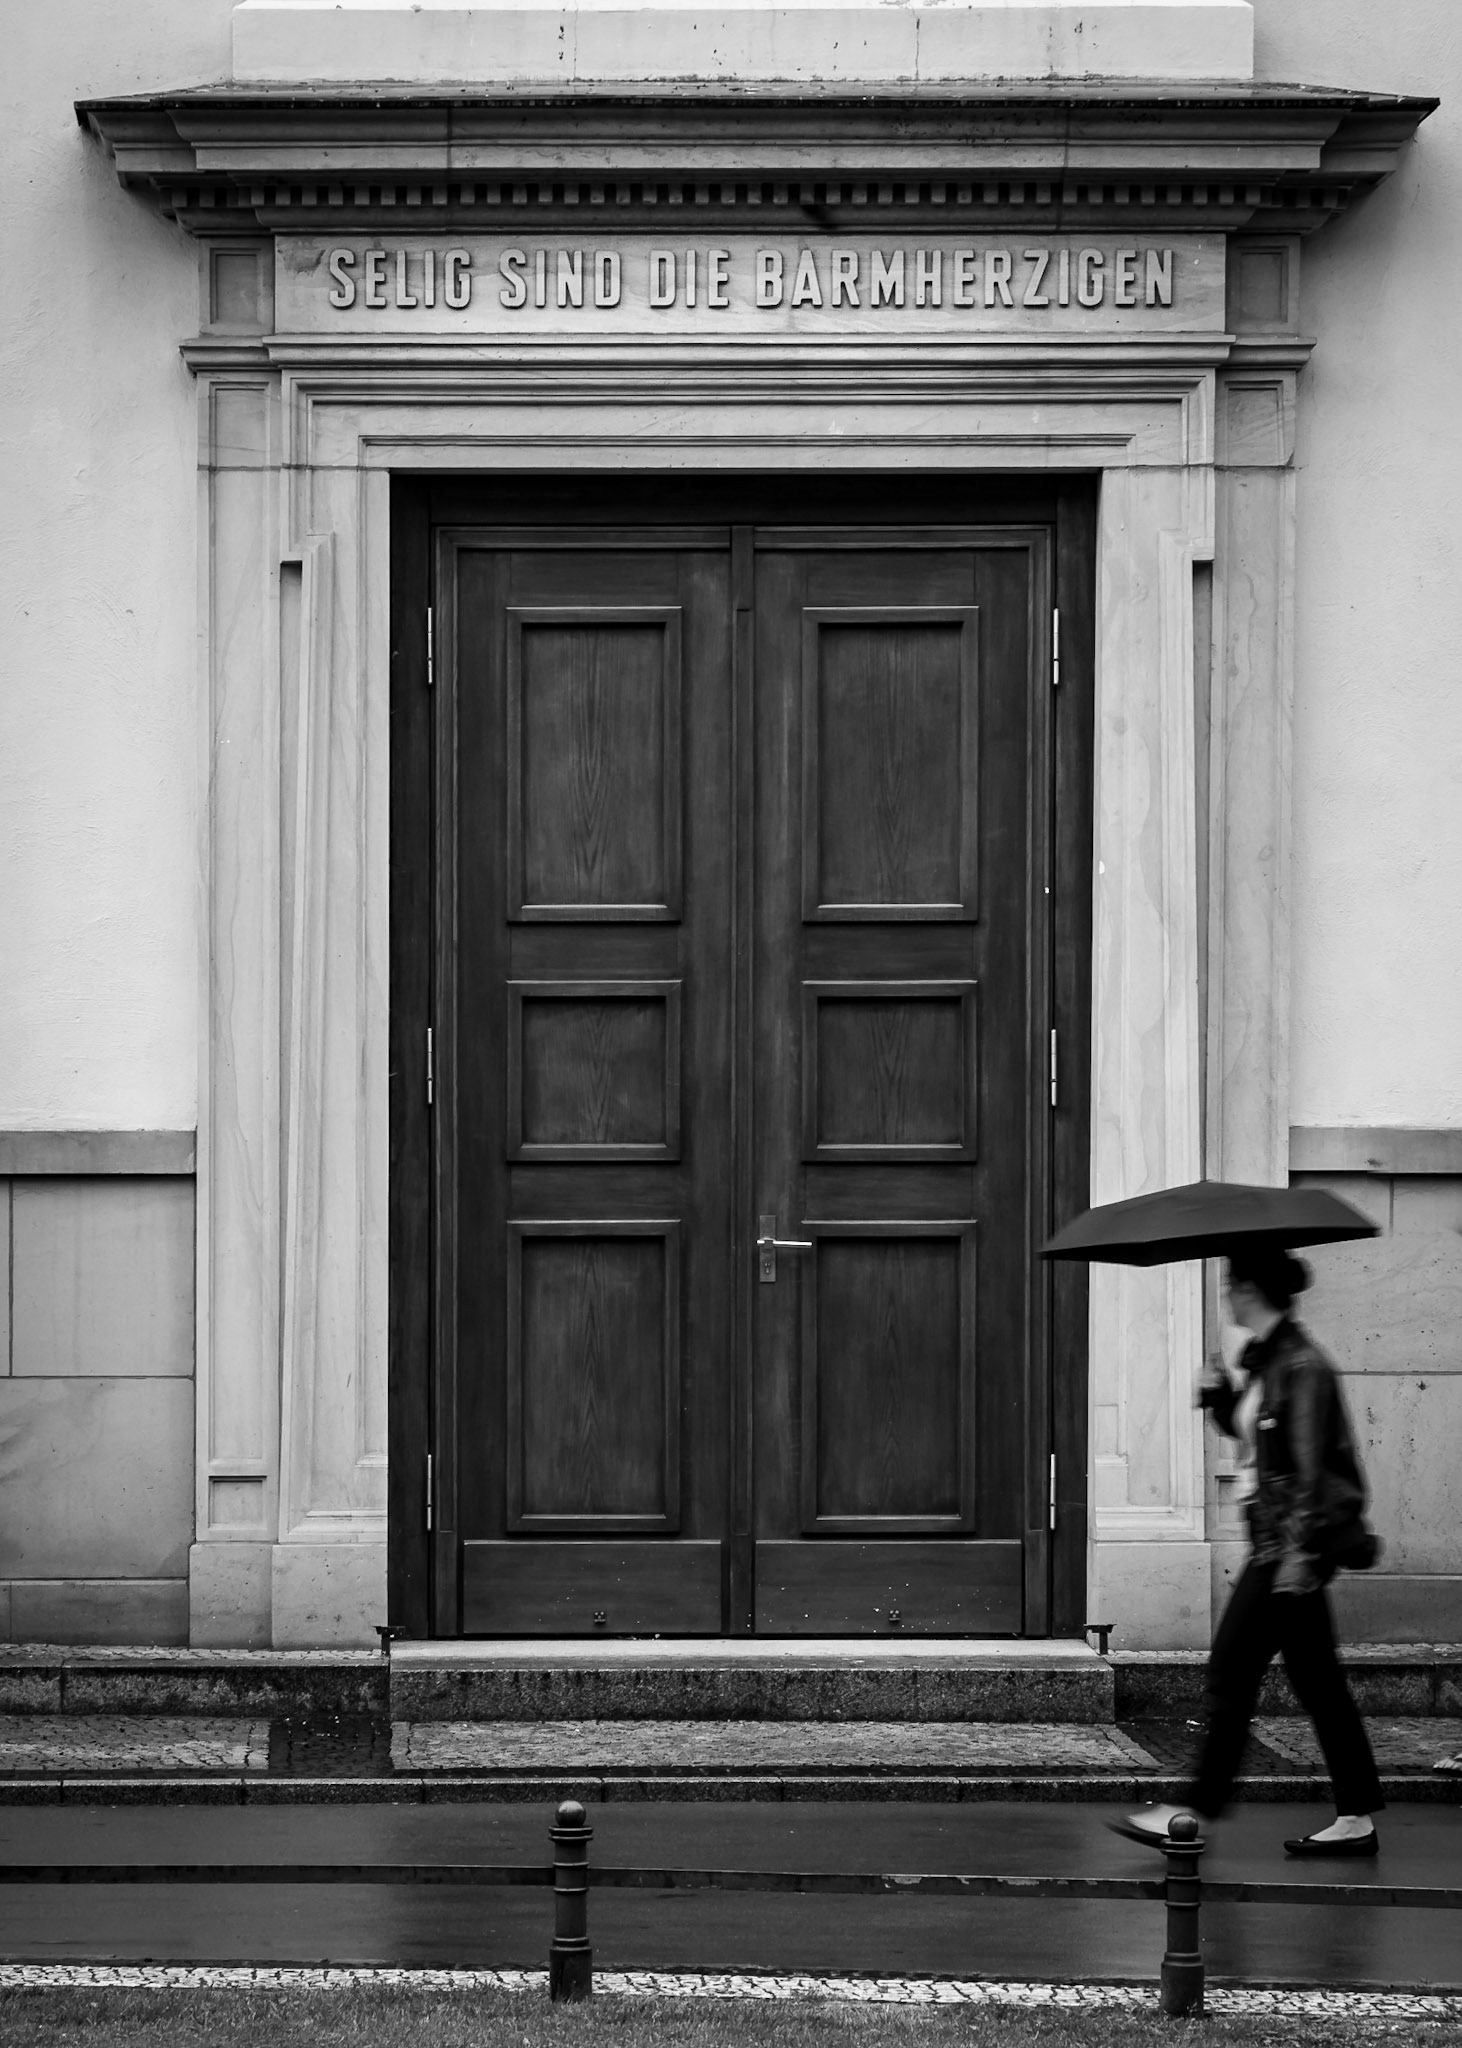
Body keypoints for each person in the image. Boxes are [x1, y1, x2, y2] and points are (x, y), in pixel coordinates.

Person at [1112, 1246, 1384, 1857]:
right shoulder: (1272, 1361)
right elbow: (1263, 1444)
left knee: (1232, 1670)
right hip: (1283, 1546)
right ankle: (1357, 1816)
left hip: (1288, 1550)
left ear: (1252, 1289)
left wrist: (1295, 1554)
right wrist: (1220, 1399)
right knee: (1319, 1684)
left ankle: (1195, 1810)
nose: (1224, 1293)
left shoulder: (1304, 1365)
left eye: (1231, 1283)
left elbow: (1310, 1471)